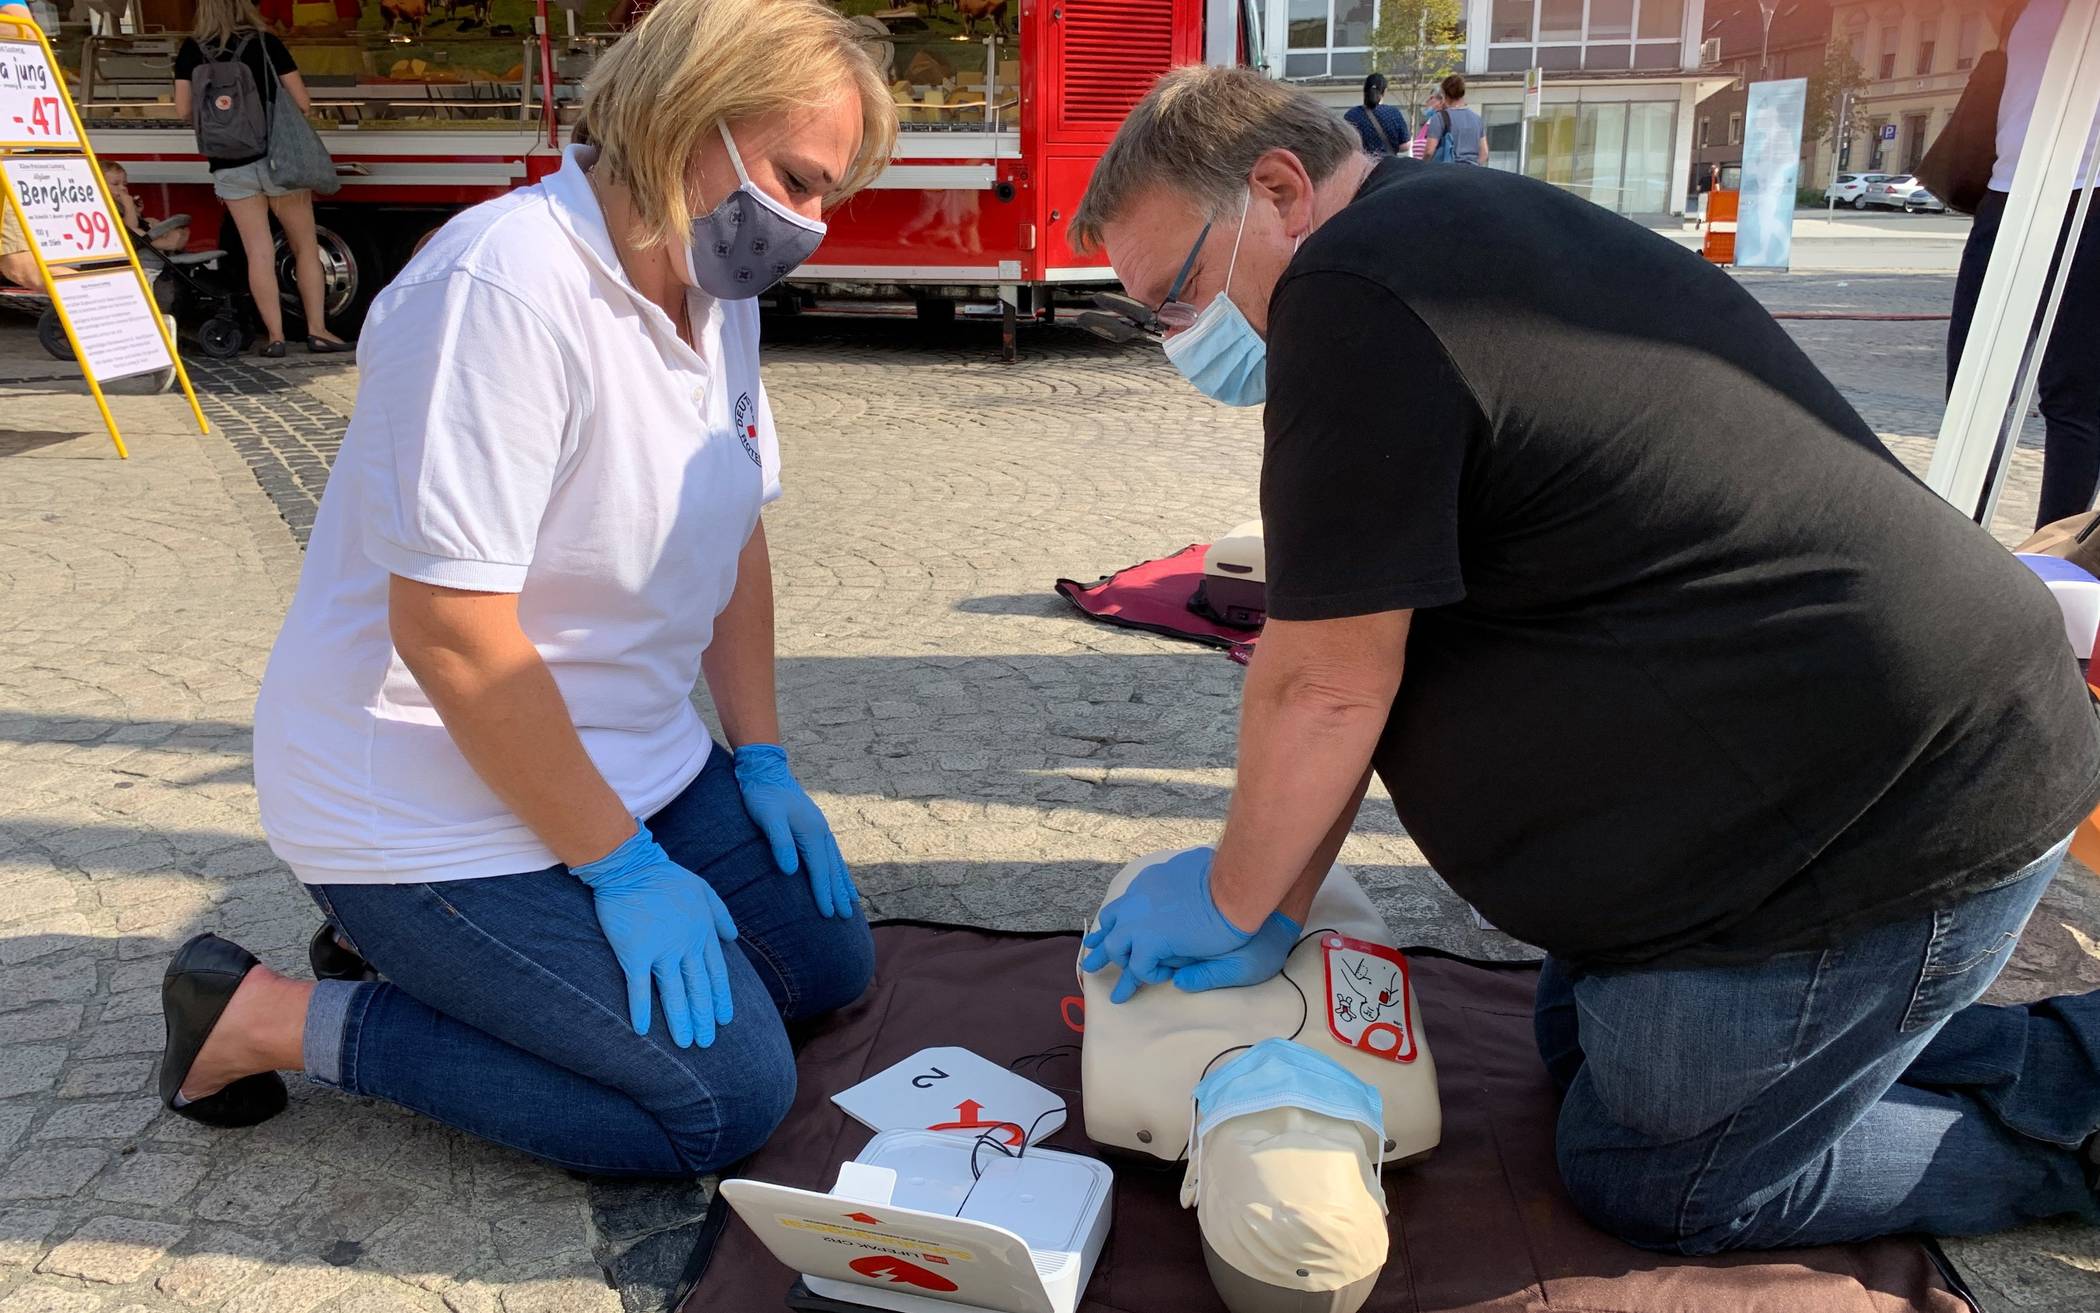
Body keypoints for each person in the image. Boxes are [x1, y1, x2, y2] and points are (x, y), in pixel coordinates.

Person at [1071, 65, 2100, 1254]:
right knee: (1583, 1052)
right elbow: (1361, 654)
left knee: (1654, 1171)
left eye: (1180, 291)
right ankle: (2053, 1065)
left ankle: (2061, 1149)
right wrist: (1268, 897)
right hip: (1866, 762)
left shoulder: (1351, 295)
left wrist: (1230, 895)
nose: (1179, 337)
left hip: (1891, 810)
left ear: (1279, 186)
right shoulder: (1438, 233)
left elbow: (1326, 683)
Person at [156, 0, 898, 1178]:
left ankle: (472, 962)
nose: (810, 225)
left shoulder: (719, 292)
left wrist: (761, 756)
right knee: (721, 1097)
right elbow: (450, 633)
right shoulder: (500, 287)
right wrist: (622, 868)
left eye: (827, 197)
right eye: (799, 181)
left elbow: (735, 535)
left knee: (827, 965)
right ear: (687, 121)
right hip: (418, 795)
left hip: (628, 753)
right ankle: (264, 1017)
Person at [1948, 0, 2100, 527]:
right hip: (2006, 196)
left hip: (2088, 199)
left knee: (2073, 394)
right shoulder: (2022, 7)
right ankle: (1959, 535)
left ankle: (2057, 555)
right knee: (1972, 381)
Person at [171, 0, 351, 357]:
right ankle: (317, 330)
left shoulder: (192, 49)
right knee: (303, 246)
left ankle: (276, 337)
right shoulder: (266, 42)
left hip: (229, 163)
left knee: (258, 252)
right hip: (278, 160)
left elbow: (183, 109)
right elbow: (302, 101)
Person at [101, 161, 193, 256]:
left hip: (135, 238)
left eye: (124, 184)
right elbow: (131, 227)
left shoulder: (119, 202)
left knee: (152, 221)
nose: (123, 188)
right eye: (115, 184)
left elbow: (135, 221)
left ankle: (171, 246)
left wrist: (136, 211)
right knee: (134, 232)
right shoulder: (101, 204)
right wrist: (129, 206)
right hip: (122, 241)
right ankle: (168, 244)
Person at [1422, 73, 1486, 165]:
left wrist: (1422, 167)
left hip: (1447, 173)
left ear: (1444, 94)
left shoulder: (1440, 118)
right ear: (1462, 92)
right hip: (1471, 172)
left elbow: (1429, 152)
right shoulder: (1477, 119)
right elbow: (1484, 153)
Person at [1342, 73, 1409, 157]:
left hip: (1364, 166)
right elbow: (1405, 145)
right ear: (1384, 91)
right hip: (1389, 166)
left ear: (1365, 91)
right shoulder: (1394, 113)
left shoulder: (1351, 115)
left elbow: (1345, 145)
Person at [1410, 89, 1444, 160]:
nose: (1427, 101)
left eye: (1431, 98)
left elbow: (1429, 152)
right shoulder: (1429, 122)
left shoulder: (1442, 122)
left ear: (1441, 101)